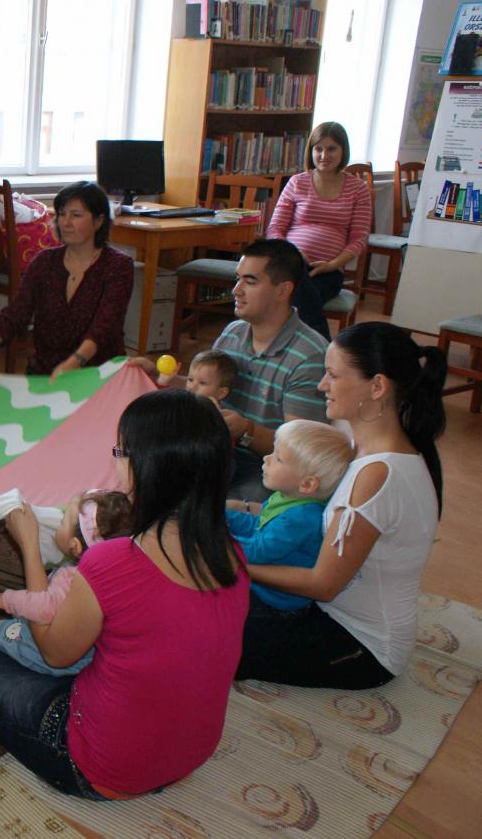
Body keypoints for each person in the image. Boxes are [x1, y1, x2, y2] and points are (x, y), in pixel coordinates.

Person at [0, 389, 249, 799]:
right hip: (188, 754)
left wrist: (28, 547)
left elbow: (54, 653)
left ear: (148, 467)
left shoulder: (113, 561)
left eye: (121, 452)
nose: (117, 462)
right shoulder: (232, 555)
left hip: (99, 765)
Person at [237, 322, 447, 689]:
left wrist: (236, 565)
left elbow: (323, 585)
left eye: (333, 375)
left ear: (377, 386)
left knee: (202, 634)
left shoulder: (378, 474)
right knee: (203, 604)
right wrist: (240, 511)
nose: (322, 385)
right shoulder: (358, 444)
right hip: (322, 611)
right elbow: (298, 503)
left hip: (360, 644)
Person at [133, 239, 329, 502]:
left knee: (223, 506)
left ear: (283, 290)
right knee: (145, 472)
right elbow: (207, 387)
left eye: (250, 282)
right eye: (238, 279)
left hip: (266, 466)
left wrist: (247, 431)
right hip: (216, 452)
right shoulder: (233, 332)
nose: (236, 290)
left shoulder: (310, 355)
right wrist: (160, 378)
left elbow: (302, 450)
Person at [0, 181, 134, 380]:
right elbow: (16, 313)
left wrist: (74, 362)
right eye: (62, 214)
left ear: (99, 221)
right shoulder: (44, 261)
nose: (66, 222)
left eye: (76, 215)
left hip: (97, 375)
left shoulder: (118, 266)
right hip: (45, 373)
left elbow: (105, 327)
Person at [0, 489, 132, 677]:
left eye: (63, 520)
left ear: (75, 545)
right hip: (85, 648)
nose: (59, 522)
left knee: (0, 631)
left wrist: (7, 599)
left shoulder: (72, 578)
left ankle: (7, 656)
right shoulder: (115, 570)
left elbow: (45, 607)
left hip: (50, 653)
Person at [225, 420, 353, 614]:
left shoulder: (301, 518)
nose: (266, 458)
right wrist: (223, 517)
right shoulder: (287, 497)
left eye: (278, 458)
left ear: (307, 484)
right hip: (262, 586)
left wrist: (218, 540)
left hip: (271, 602)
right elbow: (258, 525)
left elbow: (257, 551)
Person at [266, 121, 372, 342]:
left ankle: (283, 346)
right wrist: (294, 254)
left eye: (331, 149)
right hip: (290, 264)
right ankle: (324, 348)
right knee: (298, 289)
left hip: (329, 272)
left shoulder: (358, 189)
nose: (324, 155)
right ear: (311, 151)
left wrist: (332, 264)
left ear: (343, 151)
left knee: (295, 293)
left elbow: (358, 239)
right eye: (318, 149)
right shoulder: (297, 182)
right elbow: (275, 229)